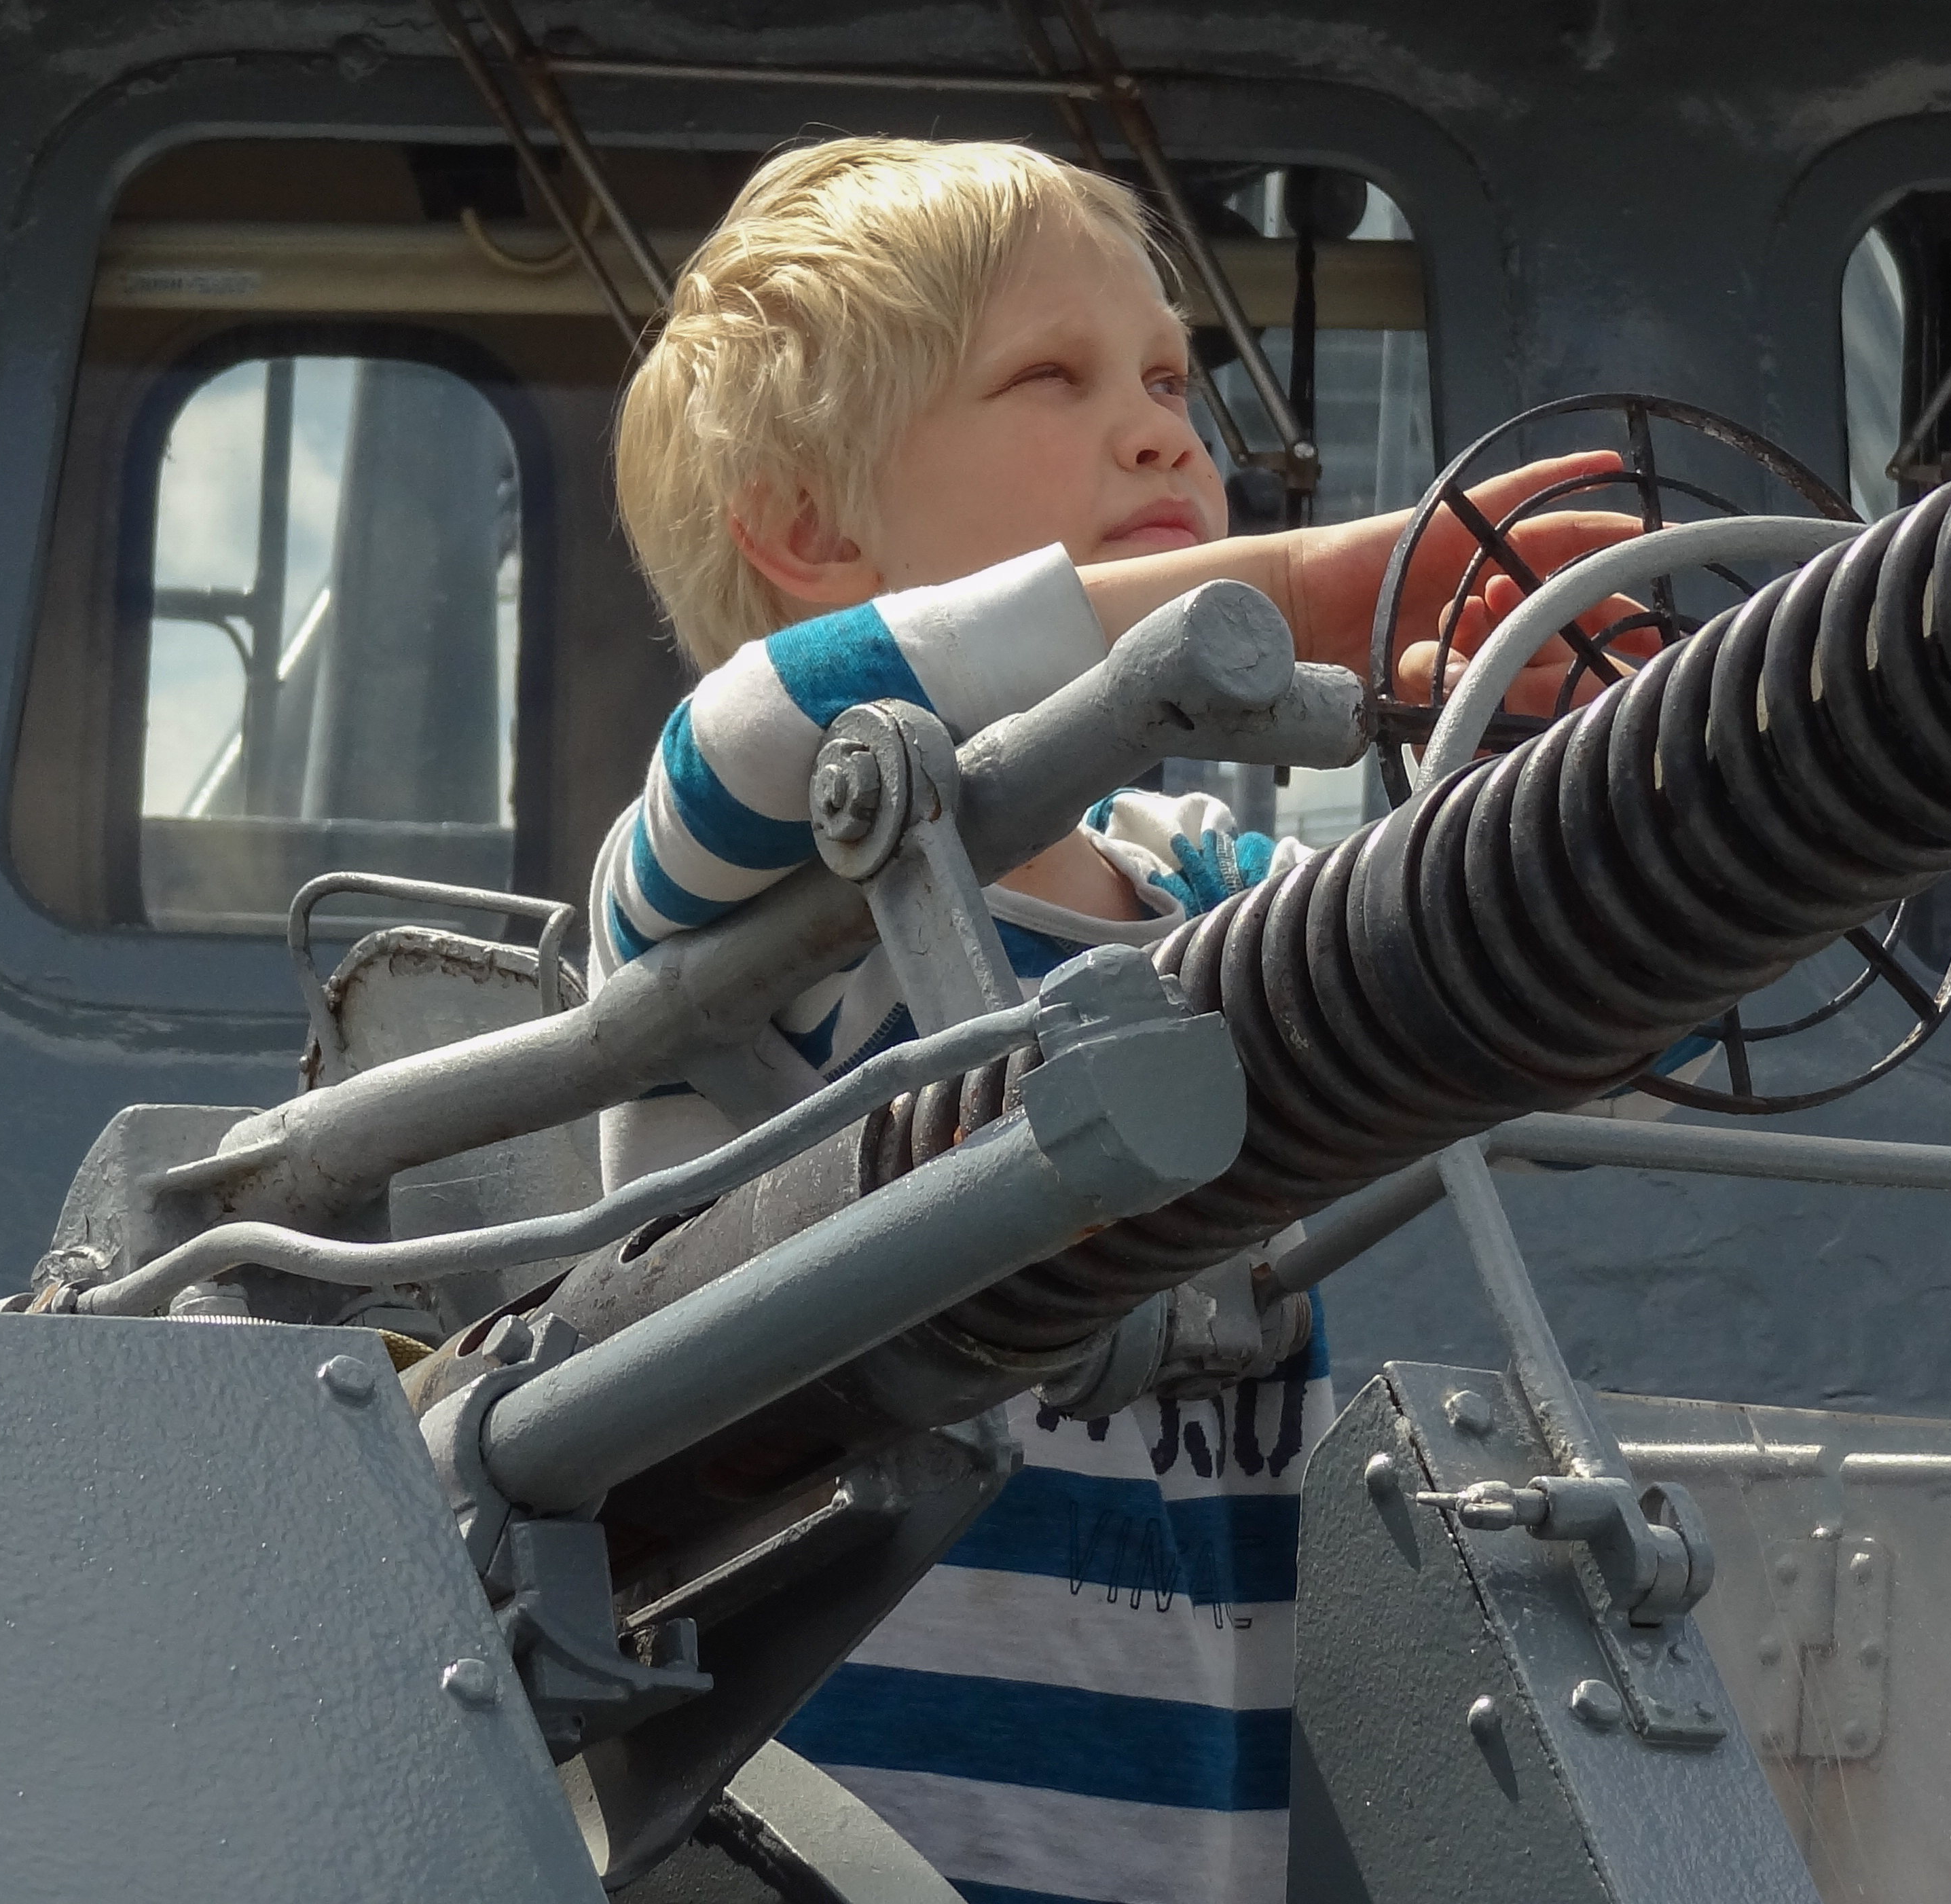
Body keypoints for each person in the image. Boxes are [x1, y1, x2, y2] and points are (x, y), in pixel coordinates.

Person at [598, 136, 1643, 1904]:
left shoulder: (1211, 890)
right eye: (1053, 379)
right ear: (809, 527)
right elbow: (756, 725)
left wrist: (1610, 780)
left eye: (1169, 379)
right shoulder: (757, 902)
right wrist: (1298, 591)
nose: (1162, 431)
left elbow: (1593, 1016)